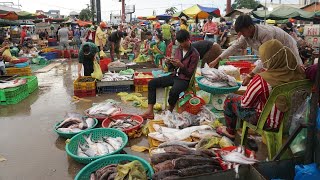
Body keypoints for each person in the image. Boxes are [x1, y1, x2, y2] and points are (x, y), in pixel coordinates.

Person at [217, 39, 306, 140]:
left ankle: (230, 132)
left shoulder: (263, 79)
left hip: (270, 124)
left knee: (230, 99)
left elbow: (245, 104)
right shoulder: (300, 74)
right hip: (293, 123)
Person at [209, 15, 303, 86]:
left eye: (242, 31)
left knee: (296, 68)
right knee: (275, 71)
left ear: (250, 27)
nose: (240, 34)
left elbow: (267, 58)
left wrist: (250, 75)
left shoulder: (265, 33)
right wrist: (217, 59)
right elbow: (234, 47)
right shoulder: (246, 35)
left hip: (288, 45)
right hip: (275, 53)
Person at [140, 29, 200, 120]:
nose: (181, 45)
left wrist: (181, 65)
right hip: (174, 75)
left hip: (184, 79)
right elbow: (171, 68)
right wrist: (169, 62)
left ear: (188, 39)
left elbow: (189, 73)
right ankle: (150, 111)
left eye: (183, 42)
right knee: (152, 83)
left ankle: (169, 110)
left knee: (174, 91)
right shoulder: (178, 49)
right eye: (180, 42)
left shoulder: (194, 54)